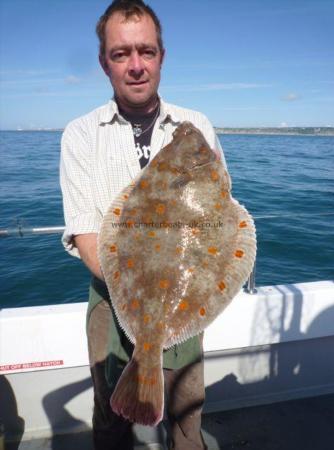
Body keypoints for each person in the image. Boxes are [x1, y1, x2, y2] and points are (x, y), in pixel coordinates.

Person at [60, 1, 227, 449]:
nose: (136, 65)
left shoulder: (198, 126)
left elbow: (218, 213)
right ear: (104, 63)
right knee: (111, 416)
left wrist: (166, 303)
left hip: (181, 296)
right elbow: (85, 232)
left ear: (161, 56)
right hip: (110, 295)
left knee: (187, 412)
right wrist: (138, 304)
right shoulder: (80, 133)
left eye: (147, 52)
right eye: (121, 54)